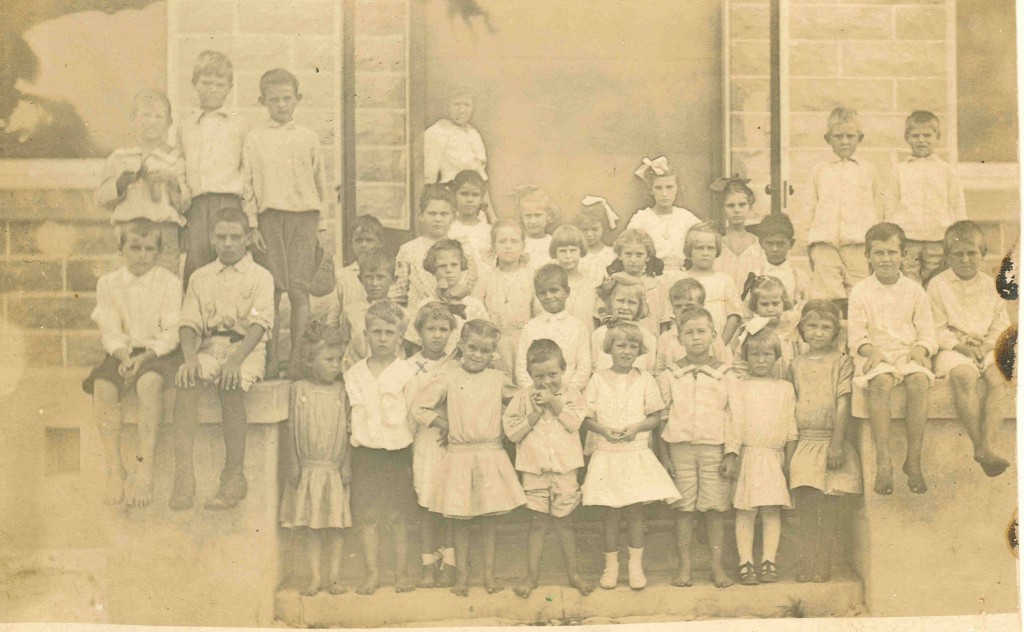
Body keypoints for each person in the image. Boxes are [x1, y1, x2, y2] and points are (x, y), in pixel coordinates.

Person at [170, 206, 275, 511]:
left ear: (247, 240)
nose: (228, 243)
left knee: (230, 387)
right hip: (209, 348)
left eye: (235, 237)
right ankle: (184, 476)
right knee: (187, 383)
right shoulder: (201, 277)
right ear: (212, 240)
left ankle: (233, 475)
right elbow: (189, 322)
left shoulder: (260, 277)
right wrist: (190, 359)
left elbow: (259, 323)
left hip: (246, 349)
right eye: (221, 237)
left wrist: (235, 361)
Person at [411, 320, 526, 596]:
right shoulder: (449, 376)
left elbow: (522, 401)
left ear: (493, 353)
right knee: (460, 519)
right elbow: (419, 407)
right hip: (459, 457)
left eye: (485, 351)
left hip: (490, 455)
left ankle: (489, 575)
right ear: (461, 345)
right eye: (472, 348)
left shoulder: (498, 379)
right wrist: (446, 423)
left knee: (489, 519)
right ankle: (461, 577)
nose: (477, 355)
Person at [82, 219, 182, 507]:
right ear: (121, 249)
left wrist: (145, 357)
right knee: (103, 386)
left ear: (159, 251)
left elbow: (170, 332)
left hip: (157, 353)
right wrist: (124, 356)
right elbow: (110, 330)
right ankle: (115, 469)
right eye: (134, 247)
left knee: (149, 384)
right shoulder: (109, 284)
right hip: (123, 352)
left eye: (149, 249)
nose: (141, 255)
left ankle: (145, 468)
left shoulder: (169, 283)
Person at [582, 321, 681, 590]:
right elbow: (586, 418)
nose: (627, 351)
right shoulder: (597, 379)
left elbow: (655, 417)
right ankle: (610, 567)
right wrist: (603, 430)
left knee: (636, 512)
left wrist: (636, 427)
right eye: (620, 345)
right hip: (607, 454)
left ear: (640, 350)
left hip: (635, 453)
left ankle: (635, 567)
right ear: (609, 348)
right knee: (611, 514)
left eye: (633, 346)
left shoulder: (646, 379)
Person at [242, 68, 326, 378]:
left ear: (297, 100)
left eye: (287, 99)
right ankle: (270, 358)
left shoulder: (308, 138)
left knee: (299, 290)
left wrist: (320, 226)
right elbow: (248, 183)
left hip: (304, 219)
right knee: (272, 291)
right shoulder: (255, 139)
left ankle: (295, 360)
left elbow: (320, 183)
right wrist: (252, 225)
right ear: (263, 101)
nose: (281, 105)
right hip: (269, 220)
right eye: (274, 100)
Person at [849, 223, 937, 494]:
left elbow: (927, 332)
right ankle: (883, 460)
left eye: (891, 252)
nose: (885, 259)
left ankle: (913, 458)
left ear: (903, 255)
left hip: (907, 352)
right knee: (881, 383)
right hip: (876, 354)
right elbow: (856, 335)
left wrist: (921, 349)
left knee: (919, 381)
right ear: (868, 255)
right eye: (878, 253)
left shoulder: (914, 291)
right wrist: (870, 351)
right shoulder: (861, 291)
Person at [503, 339, 591, 598]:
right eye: (539, 376)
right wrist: (534, 414)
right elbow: (511, 432)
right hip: (534, 469)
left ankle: (573, 574)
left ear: (563, 370)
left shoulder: (571, 394)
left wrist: (554, 402)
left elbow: (575, 423)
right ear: (530, 375)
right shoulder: (522, 396)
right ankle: (532, 577)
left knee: (564, 522)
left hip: (565, 469)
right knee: (538, 522)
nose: (547, 381)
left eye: (553, 374)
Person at [657, 307, 738, 589]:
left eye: (701, 331)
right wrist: (664, 455)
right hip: (680, 450)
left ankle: (717, 568)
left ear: (714, 335)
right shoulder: (670, 374)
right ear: (679, 337)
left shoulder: (725, 373)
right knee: (683, 510)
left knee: (715, 510)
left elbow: (733, 415)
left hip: (714, 450)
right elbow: (663, 416)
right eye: (689, 332)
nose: (695, 337)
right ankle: (685, 568)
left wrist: (731, 452)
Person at [343, 300, 418, 595]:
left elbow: (413, 416)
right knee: (368, 516)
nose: (383, 338)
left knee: (398, 515)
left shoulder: (407, 372)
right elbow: (351, 420)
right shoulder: (354, 374)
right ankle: (372, 573)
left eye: (390, 332)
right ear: (366, 334)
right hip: (366, 454)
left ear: (400, 336)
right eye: (377, 332)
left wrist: (409, 454)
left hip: (397, 454)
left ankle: (401, 572)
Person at [927, 221, 1011, 476]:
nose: (965, 259)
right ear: (947, 256)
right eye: (958, 254)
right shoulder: (937, 285)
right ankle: (979, 445)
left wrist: (987, 345)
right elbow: (936, 327)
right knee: (964, 376)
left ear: (982, 253)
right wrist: (960, 346)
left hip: (985, 346)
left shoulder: (992, 285)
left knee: (999, 375)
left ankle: (989, 444)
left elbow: (1001, 324)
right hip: (953, 348)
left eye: (971, 253)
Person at [788, 300, 863, 583]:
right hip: (805, 442)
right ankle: (806, 562)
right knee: (806, 505)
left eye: (825, 327)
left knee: (830, 506)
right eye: (812, 326)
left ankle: (823, 563)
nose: (818, 333)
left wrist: (836, 443)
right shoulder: (795, 364)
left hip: (831, 441)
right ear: (802, 330)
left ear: (835, 332)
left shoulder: (842, 362)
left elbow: (843, 404)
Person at [279, 323, 350, 596]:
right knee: (310, 526)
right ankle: (314, 577)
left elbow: (347, 431)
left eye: (338, 359)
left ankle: (334, 577)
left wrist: (346, 464)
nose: (335, 365)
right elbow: (290, 428)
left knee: (335, 526)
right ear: (310, 362)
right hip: (307, 467)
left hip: (332, 468)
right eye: (328, 359)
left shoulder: (342, 392)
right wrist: (293, 462)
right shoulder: (298, 389)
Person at [727, 328, 798, 586]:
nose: (760, 360)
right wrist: (732, 454)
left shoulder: (785, 388)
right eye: (754, 354)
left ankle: (769, 561)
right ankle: (745, 562)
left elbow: (791, 427)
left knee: (771, 510)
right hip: (749, 454)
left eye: (767, 354)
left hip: (773, 456)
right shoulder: (740, 386)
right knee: (746, 511)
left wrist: (789, 462)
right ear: (745, 356)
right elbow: (733, 422)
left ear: (777, 356)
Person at [95, 90, 190, 274]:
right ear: (133, 119)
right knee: (127, 288)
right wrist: (120, 184)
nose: (152, 121)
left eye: (159, 116)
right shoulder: (120, 156)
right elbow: (100, 199)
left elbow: (185, 204)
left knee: (164, 286)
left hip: (164, 236)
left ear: (169, 123)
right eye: (146, 115)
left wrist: (172, 183)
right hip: (129, 234)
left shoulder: (174, 158)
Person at [178, 50, 249, 284]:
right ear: (194, 84)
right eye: (206, 83)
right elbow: (180, 161)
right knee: (197, 263)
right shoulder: (186, 125)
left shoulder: (239, 124)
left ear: (229, 87)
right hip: (197, 206)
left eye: (219, 84)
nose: (212, 89)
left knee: (229, 261)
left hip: (229, 202)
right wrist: (182, 190)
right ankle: (195, 319)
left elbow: (248, 168)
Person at [805, 107, 883, 313]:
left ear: (860, 138)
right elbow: (809, 209)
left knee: (859, 293)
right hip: (825, 244)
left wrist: (874, 244)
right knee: (827, 296)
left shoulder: (868, 171)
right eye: (838, 136)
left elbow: (879, 209)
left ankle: (854, 341)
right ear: (828, 139)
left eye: (850, 136)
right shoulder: (819, 171)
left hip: (858, 244)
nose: (845, 141)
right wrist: (810, 244)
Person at [405, 303, 458, 588]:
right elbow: (410, 409)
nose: (437, 335)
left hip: (450, 444)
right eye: (431, 329)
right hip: (424, 442)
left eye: (443, 329)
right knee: (426, 505)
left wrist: (454, 427)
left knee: (449, 504)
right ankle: (427, 566)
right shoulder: (409, 366)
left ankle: (449, 564)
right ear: (419, 332)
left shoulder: (456, 366)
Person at [888, 110, 967, 284]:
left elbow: (957, 206)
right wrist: (892, 238)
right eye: (915, 135)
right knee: (910, 281)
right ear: (907, 138)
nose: (921, 140)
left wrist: (957, 239)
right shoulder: (899, 170)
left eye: (927, 135)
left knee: (936, 281)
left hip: (938, 239)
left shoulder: (946, 171)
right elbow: (890, 206)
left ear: (937, 136)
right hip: (908, 239)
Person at [393, 184, 480, 309]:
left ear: (453, 217)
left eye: (444, 214)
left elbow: (470, 280)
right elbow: (398, 294)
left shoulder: (463, 247)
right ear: (421, 216)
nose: (438, 219)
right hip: (420, 316)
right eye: (432, 214)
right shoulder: (408, 250)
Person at [472, 220, 536, 377]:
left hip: (524, 341)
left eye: (514, 241)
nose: (508, 246)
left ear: (522, 246)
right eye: (502, 241)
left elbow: (538, 313)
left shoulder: (531, 277)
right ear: (494, 246)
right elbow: (475, 311)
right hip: (494, 343)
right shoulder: (485, 279)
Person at [516, 264, 591, 392]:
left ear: (566, 292)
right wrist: (533, 391)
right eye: (542, 293)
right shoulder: (530, 327)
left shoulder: (578, 326)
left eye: (554, 290)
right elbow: (521, 366)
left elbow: (584, 366)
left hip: (568, 395)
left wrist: (569, 392)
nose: (549, 296)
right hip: (536, 395)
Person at [405, 239, 489, 355]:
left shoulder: (474, 306)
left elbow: (485, 339)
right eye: (442, 266)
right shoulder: (424, 305)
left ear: (462, 266)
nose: (448, 270)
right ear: (433, 270)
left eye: (454, 265)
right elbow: (414, 343)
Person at [626, 156, 701, 271]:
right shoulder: (641, 219)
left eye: (669, 187)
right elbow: (628, 248)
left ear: (677, 188)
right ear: (651, 190)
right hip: (650, 275)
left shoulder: (686, 217)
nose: (664, 193)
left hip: (681, 274)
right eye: (658, 188)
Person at [676, 222, 743, 347]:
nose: (705, 253)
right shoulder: (681, 280)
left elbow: (734, 316)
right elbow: (675, 318)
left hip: (720, 343)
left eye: (710, 248)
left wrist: (721, 344)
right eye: (699, 248)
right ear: (689, 251)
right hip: (690, 346)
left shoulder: (724, 280)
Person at [339, 248, 402, 372]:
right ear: (360, 279)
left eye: (380, 277)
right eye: (369, 277)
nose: (374, 283)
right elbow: (345, 341)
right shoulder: (351, 310)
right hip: (357, 372)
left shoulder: (400, 313)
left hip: (390, 373)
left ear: (394, 279)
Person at [423, 89, 491, 202]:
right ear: (446, 106)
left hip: (474, 200)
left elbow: (481, 177)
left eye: (467, 105)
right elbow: (429, 177)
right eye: (456, 104)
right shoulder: (437, 132)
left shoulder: (473, 132)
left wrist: (492, 216)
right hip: (450, 197)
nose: (462, 110)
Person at [602, 228, 669, 337]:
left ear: (647, 257)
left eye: (639, 255)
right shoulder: (612, 282)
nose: (633, 260)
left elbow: (664, 323)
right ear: (619, 255)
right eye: (628, 254)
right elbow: (602, 316)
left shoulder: (657, 286)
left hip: (650, 342)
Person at [736, 275, 799, 377]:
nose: (770, 309)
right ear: (755, 306)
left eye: (775, 304)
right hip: (758, 385)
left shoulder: (791, 329)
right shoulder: (752, 329)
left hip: (787, 385)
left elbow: (800, 360)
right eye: (764, 304)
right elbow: (740, 364)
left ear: (784, 303)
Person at [591, 278, 658, 372]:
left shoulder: (648, 337)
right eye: (620, 301)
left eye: (632, 303)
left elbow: (650, 369)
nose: (625, 307)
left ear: (640, 306)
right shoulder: (599, 334)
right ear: (611, 302)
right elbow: (594, 368)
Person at [749, 213, 812, 310]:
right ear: (761, 243)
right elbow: (748, 311)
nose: (775, 249)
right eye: (769, 243)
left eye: (781, 244)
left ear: (791, 243)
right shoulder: (755, 277)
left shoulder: (800, 278)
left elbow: (805, 309)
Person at [715, 180, 765, 291]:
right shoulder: (717, 241)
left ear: (750, 207)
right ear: (723, 210)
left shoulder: (757, 244)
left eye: (742, 205)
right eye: (730, 206)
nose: (737, 210)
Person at [549, 225, 599, 332]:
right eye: (562, 251)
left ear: (580, 251)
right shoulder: (549, 285)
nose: (568, 256)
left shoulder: (592, 285)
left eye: (573, 250)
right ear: (555, 253)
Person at [336, 214, 385, 314]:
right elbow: (334, 318)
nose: (364, 245)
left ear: (380, 243)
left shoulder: (388, 273)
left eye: (369, 240)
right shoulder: (342, 276)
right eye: (359, 240)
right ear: (351, 244)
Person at [447, 170, 493, 264]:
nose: (469, 199)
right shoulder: (448, 229)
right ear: (454, 195)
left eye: (475, 195)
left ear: (481, 198)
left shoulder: (489, 230)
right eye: (464, 194)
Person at [513, 185, 560, 268]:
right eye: (528, 216)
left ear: (548, 216)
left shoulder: (553, 242)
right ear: (521, 217)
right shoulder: (517, 243)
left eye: (538, 215)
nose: (533, 221)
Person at [576, 195, 619, 281]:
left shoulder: (611, 254)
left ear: (604, 227)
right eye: (584, 229)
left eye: (595, 229)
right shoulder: (575, 253)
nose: (590, 234)